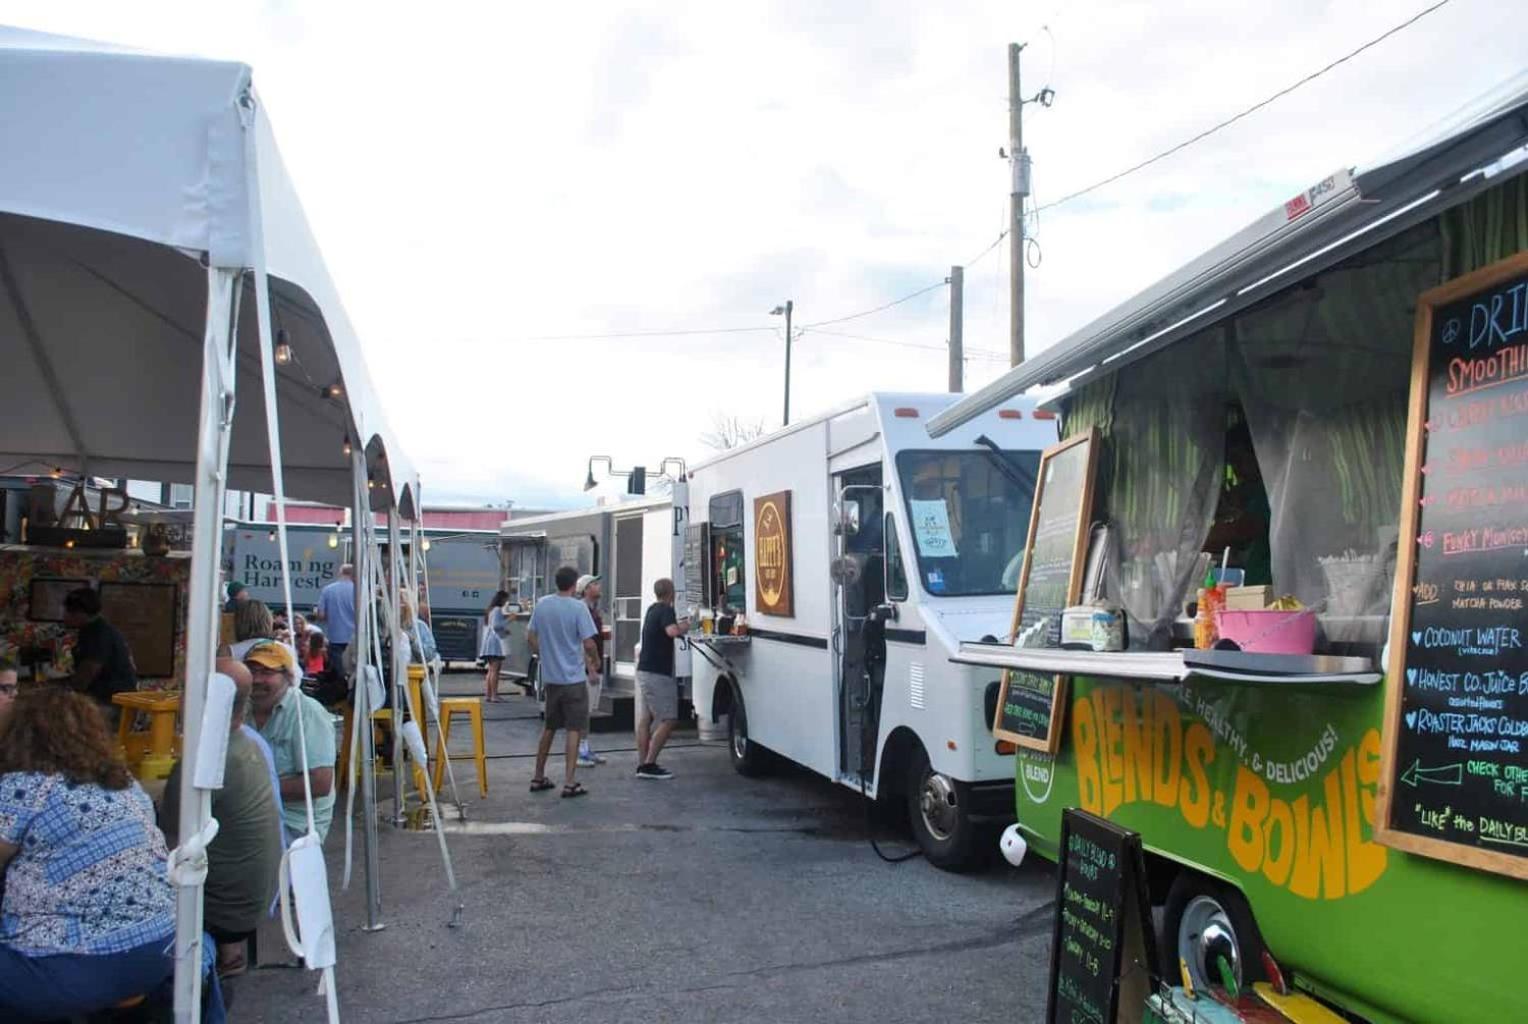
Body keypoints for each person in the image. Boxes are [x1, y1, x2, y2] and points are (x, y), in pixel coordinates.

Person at [0, 688, 177, 1018]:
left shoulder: (24, 787)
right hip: (160, 951)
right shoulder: (126, 784)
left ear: (19, 734)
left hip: (72, 965)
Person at [161, 659, 282, 979]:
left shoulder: (205, 761)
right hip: (259, 897)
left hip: (226, 910)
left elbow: (166, 843)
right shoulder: (250, 742)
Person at [247, 639, 337, 841]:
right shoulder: (244, 711)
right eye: (252, 671)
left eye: (267, 672)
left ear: (288, 676)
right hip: (252, 814)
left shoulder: (307, 712)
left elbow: (321, 783)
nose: (257, 679)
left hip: (294, 824)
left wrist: (254, 790)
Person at [526, 566, 599, 798]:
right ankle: (569, 781)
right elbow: (588, 643)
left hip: (551, 677)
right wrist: (595, 661)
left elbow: (530, 636)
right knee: (574, 729)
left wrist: (542, 654)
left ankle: (538, 776)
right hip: (573, 679)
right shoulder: (578, 608)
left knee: (549, 727)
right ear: (574, 584)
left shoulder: (543, 604)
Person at [635, 578, 690, 780]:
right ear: (671, 593)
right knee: (669, 719)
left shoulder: (651, 609)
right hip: (658, 673)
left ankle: (642, 763)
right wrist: (687, 624)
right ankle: (649, 764)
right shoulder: (667, 610)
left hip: (644, 670)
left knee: (646, 719)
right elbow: (672, 631)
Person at [63, 586, 136, 713]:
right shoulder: (90, 630)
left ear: (80, 613)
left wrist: (61, 690)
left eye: (68, 612)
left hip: (111, 702)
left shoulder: (98, 633)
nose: (64, 616)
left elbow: (87, 673)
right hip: (107, 699)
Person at [575, 574, 607, 767]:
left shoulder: (594, 611)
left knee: (588, 712)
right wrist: (591, 668)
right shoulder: (583, 610)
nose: (598, 586)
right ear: (586, 589)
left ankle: (584, 748)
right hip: (588, 670)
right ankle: (579, 751)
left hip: (595, 667)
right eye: (594, 584)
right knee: (582, 712)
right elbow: (583, 642)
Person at [313, 564, 356, 675]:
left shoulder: (328, 590)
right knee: (354, 671)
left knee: (339, 672)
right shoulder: (359, 590)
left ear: (340, 573)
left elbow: (321, 615)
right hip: (355, 638)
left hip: (335, 637)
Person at [479, 590, 512, 703]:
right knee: (495, 670)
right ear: (502, 599)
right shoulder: (497, 610)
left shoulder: (491, 610)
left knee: (490, 670)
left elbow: (493, 626)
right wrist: (509, 619)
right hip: (495, 644)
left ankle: (488, 694)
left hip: (489, 643)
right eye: (506, 599)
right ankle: (494, 695)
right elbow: (497, 625)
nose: (507, 602)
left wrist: (504, 630)